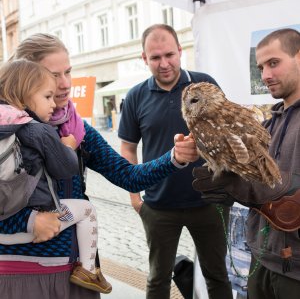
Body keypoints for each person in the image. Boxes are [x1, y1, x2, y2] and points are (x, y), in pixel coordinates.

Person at [0, 33, 199, 299]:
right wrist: (27, 221)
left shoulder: (78, 131)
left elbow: (129, 177)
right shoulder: (6, 130)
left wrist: (175, 157)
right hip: (21, 277)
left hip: (77, 276)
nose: (65, 84)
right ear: (26, 78)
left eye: (68, 72)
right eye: (53, 74)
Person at [118, 24, 233, 299]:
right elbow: (128, 150)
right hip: (159, 206)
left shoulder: (204, 84)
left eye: (169, 54)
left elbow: (228, 133)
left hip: (209, 201)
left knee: (216, 274)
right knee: (158, 278)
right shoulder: (136, 96)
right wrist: (135, 197)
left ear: (181, 51)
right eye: (155, 57)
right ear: (144, 59)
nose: (164, 63)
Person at [192, 28, 300, 299]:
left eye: (274, 63)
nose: (265, 75)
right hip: (263, 258)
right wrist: (229, 187)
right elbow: (254, 184)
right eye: (261, 66)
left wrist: (249, 190)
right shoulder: (268, 123)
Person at [0, 59, 112, 294]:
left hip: (5, 234)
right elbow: (65, 168)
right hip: (35, 227)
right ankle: (89, 270)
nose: (53, 104)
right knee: (87, 211)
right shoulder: (39, 129)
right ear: (24, 97)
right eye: (47, 97)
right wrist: (68, 147)